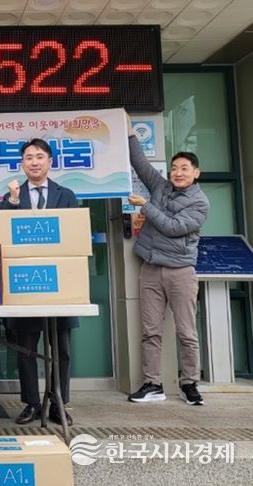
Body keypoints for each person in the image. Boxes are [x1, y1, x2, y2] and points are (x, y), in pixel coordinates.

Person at [126, 116, 210, 406]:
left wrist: (145, 206)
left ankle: (189, 384)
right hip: (151, 268)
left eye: (184, 168)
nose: (177, 172)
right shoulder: (160, 186)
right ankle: (152, 383)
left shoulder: (200, 203)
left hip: (181, 272)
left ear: (196, 173)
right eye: (174, 168)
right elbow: (140, 164)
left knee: (187, 332)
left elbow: (173, 227)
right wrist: (129, 133)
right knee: (150, 331)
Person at [0, 138, 79, 426]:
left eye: (39, 156)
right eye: (29, 158)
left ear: (50, 161)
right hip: (25, 283)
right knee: (27, 348)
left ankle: (58, 403)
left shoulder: (66, 195)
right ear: (22, 164)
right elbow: (1, 235)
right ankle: (32, 403)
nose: (34, 162)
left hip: (59, 282)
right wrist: (12, 202)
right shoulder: (12, 196)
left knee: (62, 349)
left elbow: (74, 235)